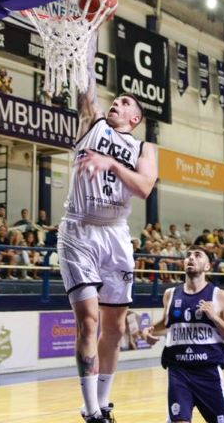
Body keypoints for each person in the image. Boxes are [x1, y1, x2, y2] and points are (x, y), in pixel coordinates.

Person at [57, 31, 158, 423]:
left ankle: (101, 400)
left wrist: (112, 164)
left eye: (125, 103)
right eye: (114, 100)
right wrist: (89, 29)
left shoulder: (144, 148)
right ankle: (90, 409)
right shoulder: (91, 123)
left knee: (114, 329)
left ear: (136, 119)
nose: (116, 104)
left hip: (116, 233)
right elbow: (86, 79)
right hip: (79, 229)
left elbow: (145, 187)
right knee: (88, 320)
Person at [141, 246, 224, 423]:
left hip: (208, 372)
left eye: (197, 255)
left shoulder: (220, 296)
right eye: (188, 255)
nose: (191, 258)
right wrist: (148, 331)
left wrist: (215, 318)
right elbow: (166, 323)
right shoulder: (170, 294)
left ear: (207, 266)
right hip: (178, 371)